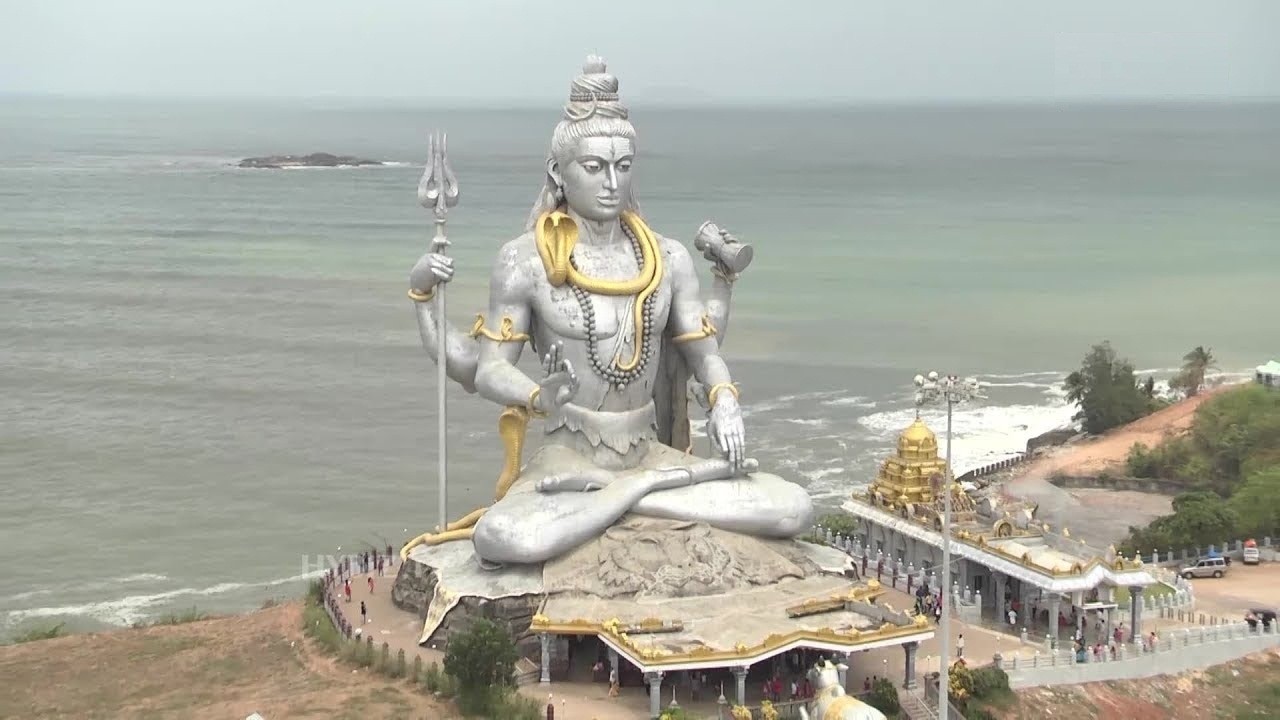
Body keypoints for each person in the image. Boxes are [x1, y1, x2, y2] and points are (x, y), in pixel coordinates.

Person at [404, 56, 814, 566]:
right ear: (559, 170)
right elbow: (488, 370)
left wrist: (725, 398)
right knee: (504, 536)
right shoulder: (524, 261)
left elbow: (704, 353)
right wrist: (537, 394)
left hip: (648, 452)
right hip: (569, 458)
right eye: (594, 167)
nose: (611, 183)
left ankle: (625, 494)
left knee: (792, 508)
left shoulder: (667, 258)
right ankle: (639, 496)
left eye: (622, 167)